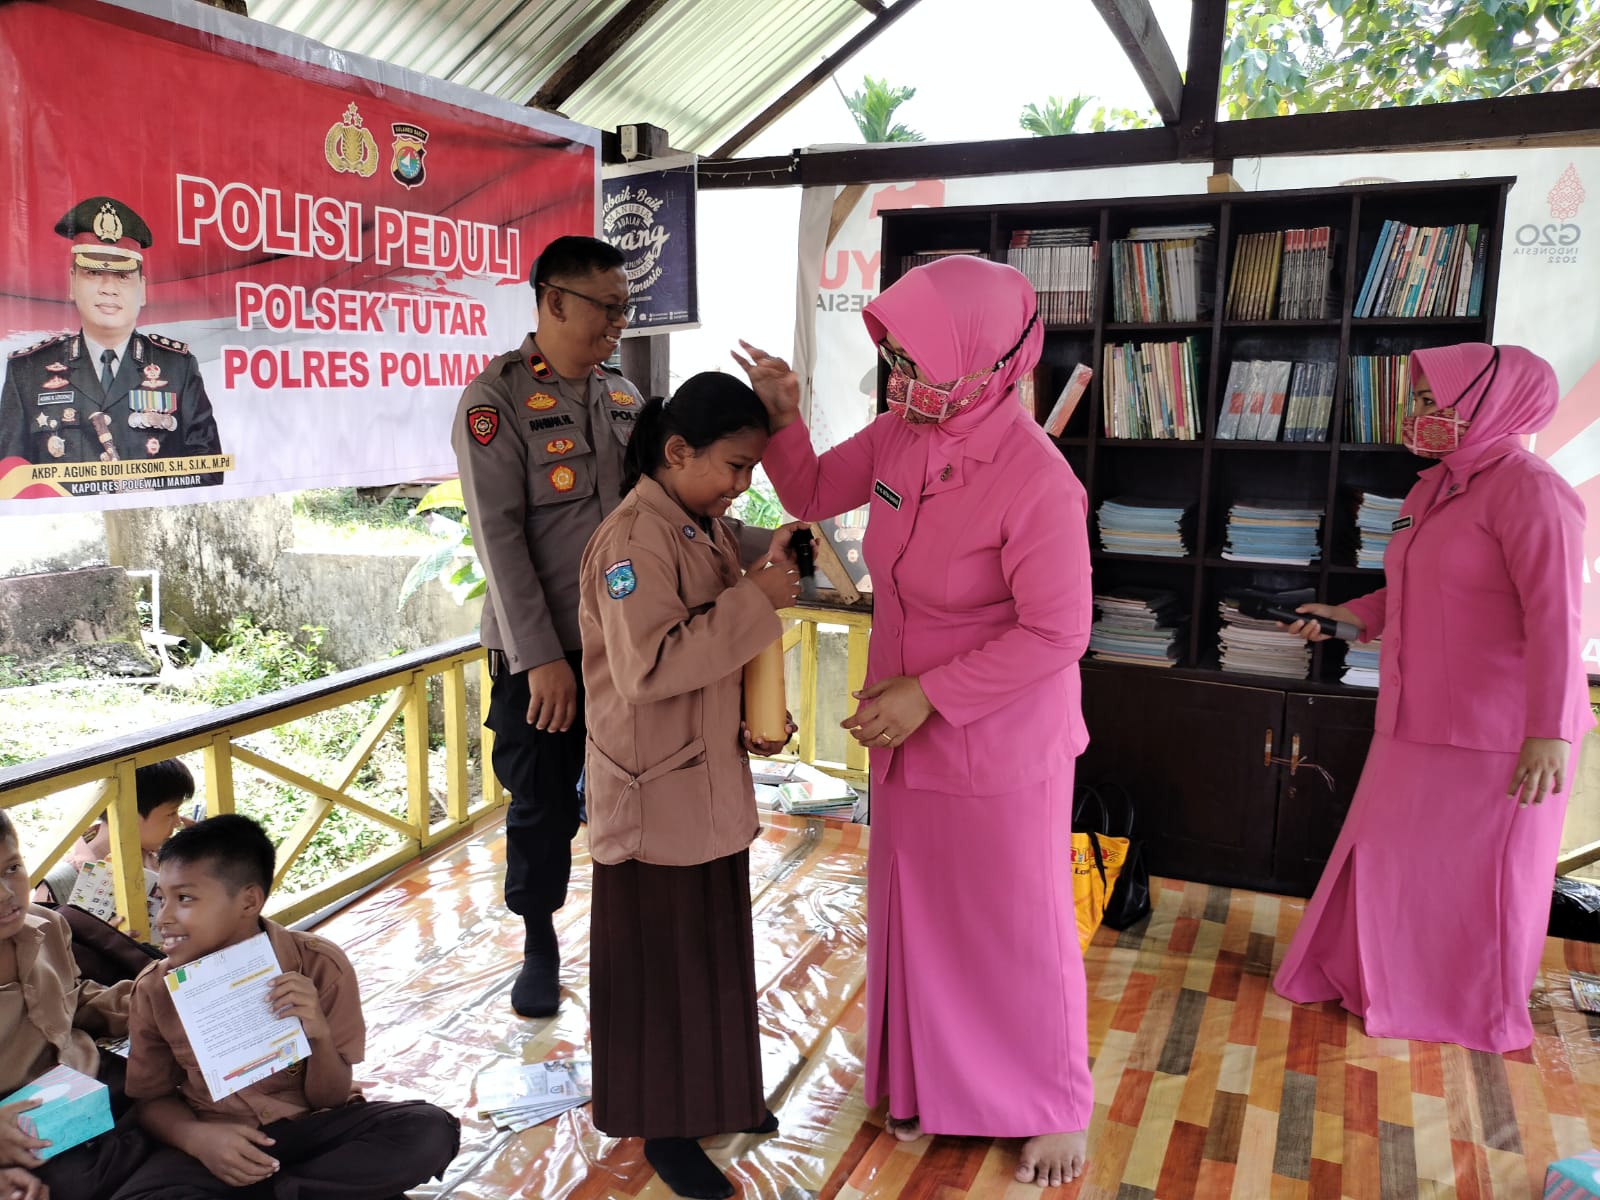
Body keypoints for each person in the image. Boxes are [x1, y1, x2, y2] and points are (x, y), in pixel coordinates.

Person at [734, 254, 1095, 1188]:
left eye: (926, 362)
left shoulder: (1037, 478)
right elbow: (810, 493)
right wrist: (781, 414)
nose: (905, 380)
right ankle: (931, 1082)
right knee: (916, 915)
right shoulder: (901, 437)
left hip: (996, 739)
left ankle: (1053, 1101)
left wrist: (932, 693)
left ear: (991, 361)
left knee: (1015, 924)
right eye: (900, 357)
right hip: (902, 732)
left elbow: (1060, 631)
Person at [1273, 342, 1592, 1053]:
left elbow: (1556, 619)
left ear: (1491, 401)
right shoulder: (1434, 487)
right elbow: (1414, 585)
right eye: (1416, 399)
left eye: (1430, 398)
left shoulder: (1532, 491)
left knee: (1481, 881)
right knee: (1388, 861)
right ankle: (1379, 983)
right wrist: (1351, 616)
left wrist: (1550, 730)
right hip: (1415, 716)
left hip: (1502, 735)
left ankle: (1465, 1008)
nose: (1418, 413)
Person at [579, 372, 801, 1200]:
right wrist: (758, 600)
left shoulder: (697, 524)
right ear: (678, 452)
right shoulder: (633, 542)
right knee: (661, 967)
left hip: (701, 777)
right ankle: (663, 1130)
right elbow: (651, 667)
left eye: (751, 472)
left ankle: (717, 1096)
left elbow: (720, 621)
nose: (742, 487)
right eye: (735, 467)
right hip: (653, 790)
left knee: (711, 951)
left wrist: (765, 563)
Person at [450, 235, 642, 1018]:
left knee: (630, 791)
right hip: (543, 652)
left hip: (621, 646)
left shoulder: (622, 397)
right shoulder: (495, 402)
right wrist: (541, 660)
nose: (617, 326)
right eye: (607, 308)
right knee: (541, 804)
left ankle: (627, 936)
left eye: (625, 310)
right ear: (555, 300)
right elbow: (499, 542)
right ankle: (538, 939)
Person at [112, 814, 460, 1199]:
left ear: (248, 900)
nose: (164, 918)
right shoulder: (156, 990)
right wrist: (198, 1139)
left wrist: (319, 1035)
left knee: (429, 1129)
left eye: (185, 899)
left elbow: (330, 1097)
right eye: (162, 898)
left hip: (313, 1129)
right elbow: (150, 1099)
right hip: (221, 1143)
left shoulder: (318, 965)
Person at [0, 197, 224, 486]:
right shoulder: (27, 370)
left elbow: (208, 469)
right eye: (93, 273)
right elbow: (9, 481)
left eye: (122, 276)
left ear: (142, 290)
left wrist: (146, 489)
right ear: (72, 283)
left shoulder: (177, 367)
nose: (108, 289)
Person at [0, 810, 151, 1200]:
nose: (5, 893)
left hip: (91, 1079)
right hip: (19, 1127)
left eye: (11, 868)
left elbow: (75, 997)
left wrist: (150, 996)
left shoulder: (47, 926)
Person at [38, 758, 193, 907]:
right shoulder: (62, 886)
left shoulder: (160, 859)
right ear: (129, 813)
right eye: (171, 813)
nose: (178, 822)